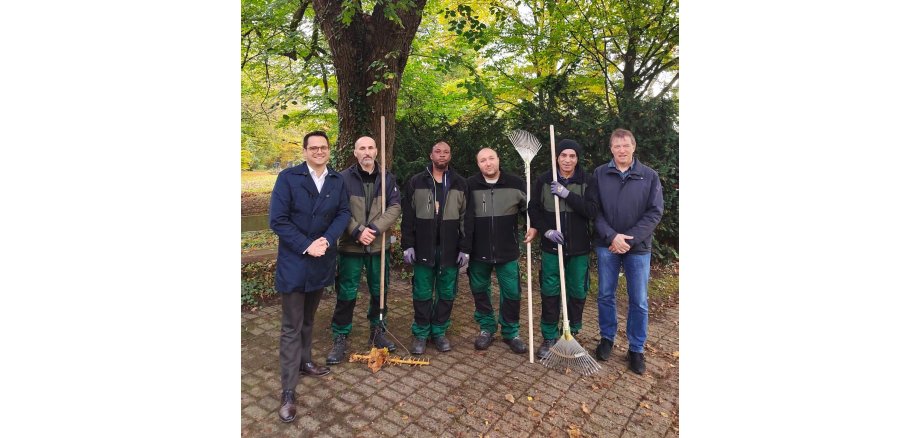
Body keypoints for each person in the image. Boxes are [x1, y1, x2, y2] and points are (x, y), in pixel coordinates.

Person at [269, 130, 351, 423]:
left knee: (309, 318)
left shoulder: (337, 180)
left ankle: (305, 361)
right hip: (295, 261)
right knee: (291, 325)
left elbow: (343, 213)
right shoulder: (288, 179)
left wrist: (326, 240)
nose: (319, 151)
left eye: (323, 147)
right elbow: (277, 220)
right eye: (313, 147)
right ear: (304, 151)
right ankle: (288, 390)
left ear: (329, 151)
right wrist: (307, 244)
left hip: (321, 260)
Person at [590, 128, 664, 375]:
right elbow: (594, 210)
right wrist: (612, 236)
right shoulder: (600, 174)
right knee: (605, 295)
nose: (622, 150)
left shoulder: (649, 176)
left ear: (634, 147)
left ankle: (636, 349)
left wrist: (628, 240)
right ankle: (607, 339)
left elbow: (654, 212)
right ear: (611, 148)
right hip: (607, 245)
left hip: (638, 248)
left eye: (626, 145)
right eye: (617, 146)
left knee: (639, 301)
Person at [325, 136, 402, 365]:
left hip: (378, 247)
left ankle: (377, 331)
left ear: (376, 151)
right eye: (362, 148)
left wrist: (375, 229)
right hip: (351, 246)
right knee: (347, 293)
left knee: (380, 291)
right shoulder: (342, 179)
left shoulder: (387, 178)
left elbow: (395, 207)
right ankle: (340, 335)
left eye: (370, 148)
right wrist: (357, 230)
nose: (366, 152)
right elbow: (338, 209)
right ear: (355, 152)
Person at [527, 139, 598, 360]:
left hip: (578, 248)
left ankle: (571, 332)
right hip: (551, 247)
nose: (567, 160)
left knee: (577, 290)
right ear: (557, 157)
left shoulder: (587, 181)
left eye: (572, 156)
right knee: (550, 291)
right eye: (563, 156)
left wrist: (567, 194)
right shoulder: (544, 180)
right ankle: (549, 335)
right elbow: (533, 209)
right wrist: (546, 230)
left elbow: (592, 210)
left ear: (577, 158)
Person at [463, 148, 538, 354]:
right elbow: (463, 217)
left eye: (491, 159)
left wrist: (533, 225)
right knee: (479, 290)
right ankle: (487, 328)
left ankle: (511, 331)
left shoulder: (516, 183)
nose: (488, 163)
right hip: (478, 251)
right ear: (478, 164)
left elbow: (530, 210)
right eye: (483, 160)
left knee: (512, 292)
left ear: (498, 160)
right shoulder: (469, 186)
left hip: (507, 250)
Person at [401, 140, 469, 355]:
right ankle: (421, 333)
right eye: (438, 152)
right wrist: (408, 245)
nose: (442, 155)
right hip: (422, 247)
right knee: (422, 292)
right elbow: (408, 216)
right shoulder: (416, 181)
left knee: (447, 292)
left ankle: (439, 331)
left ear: (450, 156)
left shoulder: (459, 183)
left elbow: (467, 218)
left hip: (450, 249)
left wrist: (465, 248)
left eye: (446, 152)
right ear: (431, 155)